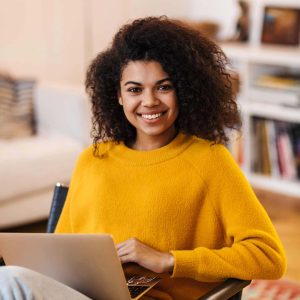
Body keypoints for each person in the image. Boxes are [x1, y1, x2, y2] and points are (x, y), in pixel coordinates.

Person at [0, 16, 286, 300]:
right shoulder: (92, 160)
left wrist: (171, 260)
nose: (149, 101)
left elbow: (268, 256)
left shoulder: (210, 161)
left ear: (183, 90)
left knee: (11, 281)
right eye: (135, 89)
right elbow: (57, 255)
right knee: (8, 278)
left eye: (164, 87)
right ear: (119, 96)